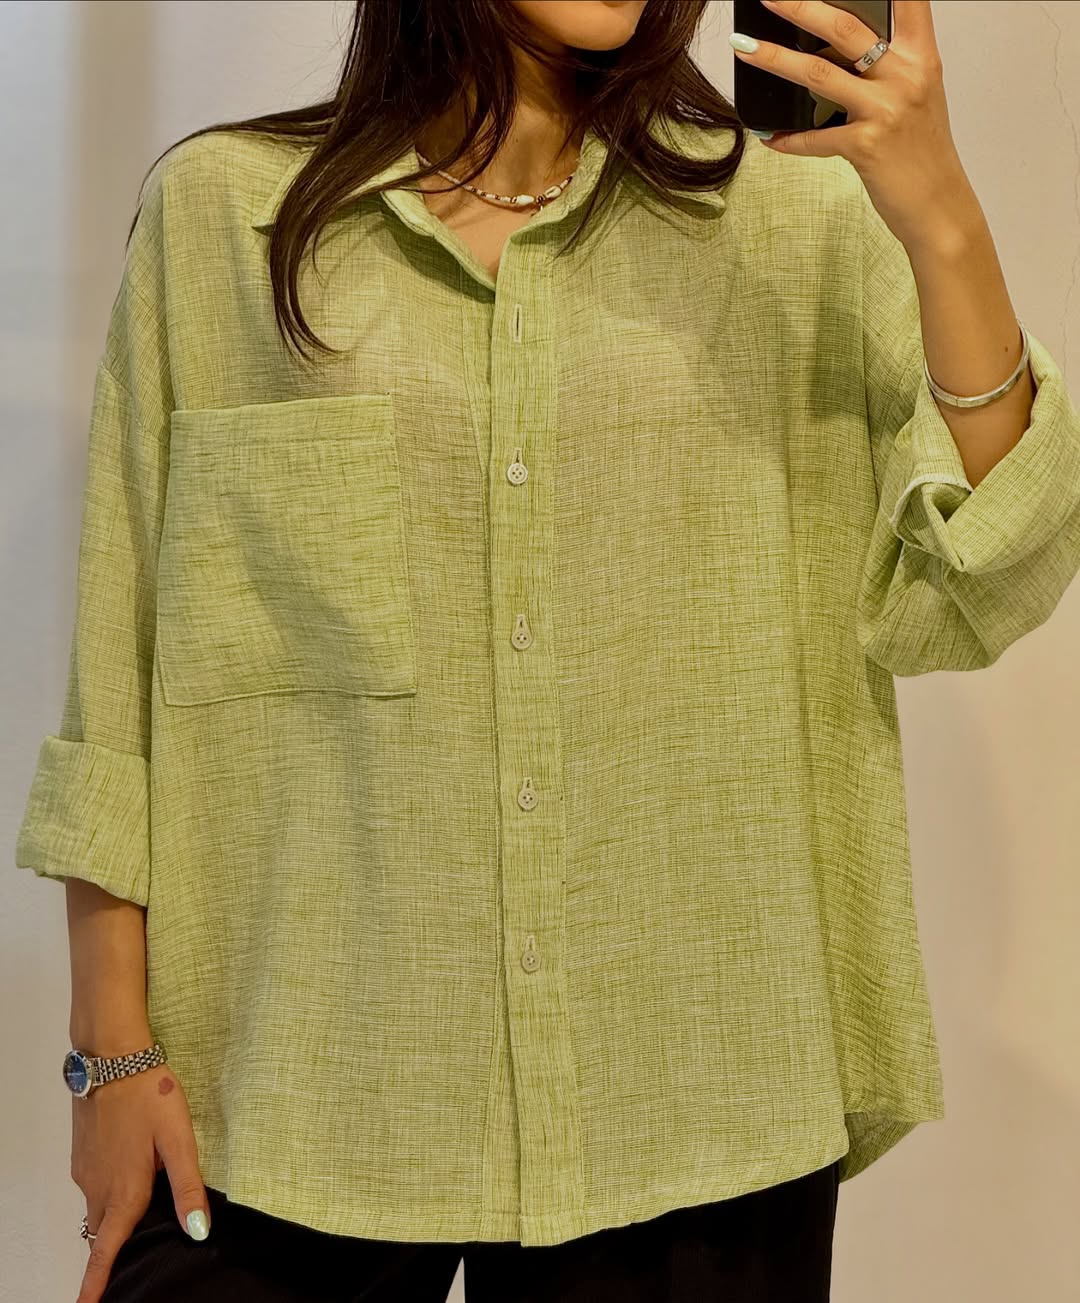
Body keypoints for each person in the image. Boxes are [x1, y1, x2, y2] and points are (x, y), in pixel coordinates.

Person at [14, 1, 1080, 1301]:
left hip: (693, 1100)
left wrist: (943, 215)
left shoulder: (798, 225)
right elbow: (122, 673)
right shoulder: (225, 218)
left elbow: (986, 574)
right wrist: (106, 1056)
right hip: (292, 1099)